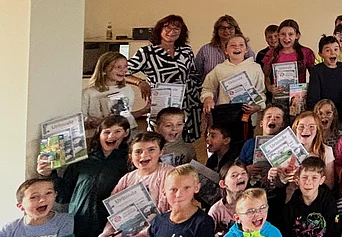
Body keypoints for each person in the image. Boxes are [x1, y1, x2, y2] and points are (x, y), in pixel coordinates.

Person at [73, 131, 174, 237]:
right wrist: (105, 235)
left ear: (161, 152)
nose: (144, 155)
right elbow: (114, 214)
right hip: (125, 236)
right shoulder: (127, 179)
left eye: (151, 150)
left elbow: (173, 214)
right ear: (130, 156)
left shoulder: (170, 175)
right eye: (138, 151)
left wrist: (143, 236)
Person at [36, 115, 130, 237]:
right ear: (99, 134)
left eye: (117, 131)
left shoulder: (129, 163)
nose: (111, 136)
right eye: (107, 132)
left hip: (110, 227)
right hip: (78, 224)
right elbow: (63, 196)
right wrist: (48, 174)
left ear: (126, 133)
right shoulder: (82, 161)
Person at [127, 14, 203, 142]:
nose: (172, 32)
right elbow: (122, 71)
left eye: (177, 29)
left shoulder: (186, 50)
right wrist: (139, 82)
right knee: (159, 139)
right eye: (168, 28)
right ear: (159, 30)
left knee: (186, 141)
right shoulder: (147, 52)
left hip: (188, 102)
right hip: (162, 102)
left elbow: (193, 74)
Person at [279, 156, 337, 237]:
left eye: (314, 178)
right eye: (304, 177)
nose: (308, 182)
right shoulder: (289, 208)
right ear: (297, 180)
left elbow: (332, 236)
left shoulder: (329, 204)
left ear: (322, 180)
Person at [200, 34, 265, 143]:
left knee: (244, 144)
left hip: (247, 116)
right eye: (233, 45)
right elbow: (207, 88)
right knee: (223, 145)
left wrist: (257, 107)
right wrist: (208, 98)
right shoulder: (219, 69)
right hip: (224, 116)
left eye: (241, 45)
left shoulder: (255, 68)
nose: (237, 47)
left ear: (246, 50)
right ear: (226, 50)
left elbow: (261, 92)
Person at [82, 51, 146, 139]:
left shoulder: (127, 89)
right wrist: (95, 123)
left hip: (124, 137)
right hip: (98, 138)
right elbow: (81, 122)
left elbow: (126, 116)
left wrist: (144, 110)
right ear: (104, 69)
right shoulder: (88, 93)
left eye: (125, 66)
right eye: (118, 67)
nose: (123, 70)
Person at [0, 178, 74, 237]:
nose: (42, 199)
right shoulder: (10, 229)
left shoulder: (65, 221)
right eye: (33, 197)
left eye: (48, 193)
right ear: (21, 206)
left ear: (55, 195)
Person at [262, 19, 316, 101]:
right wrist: (269, 87)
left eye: (290, 34)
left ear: (297, 35)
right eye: (283, 34)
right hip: (279, 98)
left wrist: (309, 90)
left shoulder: (306, 52)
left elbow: (314, 76)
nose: (286, 38)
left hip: (300, 98)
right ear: (278, 35)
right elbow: (265, 75)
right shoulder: (271, 54)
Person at [195, 14, 254, 80]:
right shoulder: (205, 50)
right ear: (217, 31)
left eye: (230, 28)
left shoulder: (245, 49)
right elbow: (197, 73)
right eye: (222, 28)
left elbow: (252, 69)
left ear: (235, 30)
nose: (226, 31)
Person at [306, 35, 342, 119]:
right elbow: (313, 97)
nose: (332, 53)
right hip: (323, 115)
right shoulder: (316, 70)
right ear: (320, 54)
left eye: (336, 49)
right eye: (327, 50)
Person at [237, 104, 285, 182]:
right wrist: (246, 170)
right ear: (261, 123)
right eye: (269, 116)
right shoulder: (249, 144)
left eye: (278, 117)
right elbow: (238, 166)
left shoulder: (286, 144)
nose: (272, 119)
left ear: (282, 124)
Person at [208, 161, 248, 236]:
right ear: (223, 184)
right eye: (234, 175)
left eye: (243, 173)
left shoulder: (254, 203)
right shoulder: (216, 210)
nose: (240, 177)